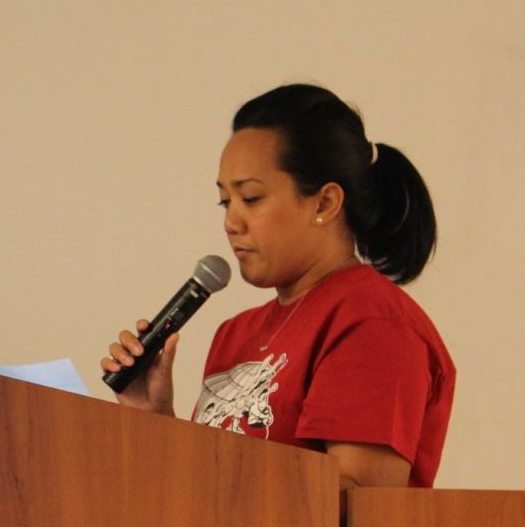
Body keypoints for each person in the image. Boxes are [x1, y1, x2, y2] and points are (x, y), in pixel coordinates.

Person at [100, 83, 455, 489]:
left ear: (324, 203)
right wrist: (156, 421)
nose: (231, 222)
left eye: (250, 198)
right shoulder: (236, 334)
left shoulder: (372, 323)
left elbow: (355, 506)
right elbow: (205, 496)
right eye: (225, 202)